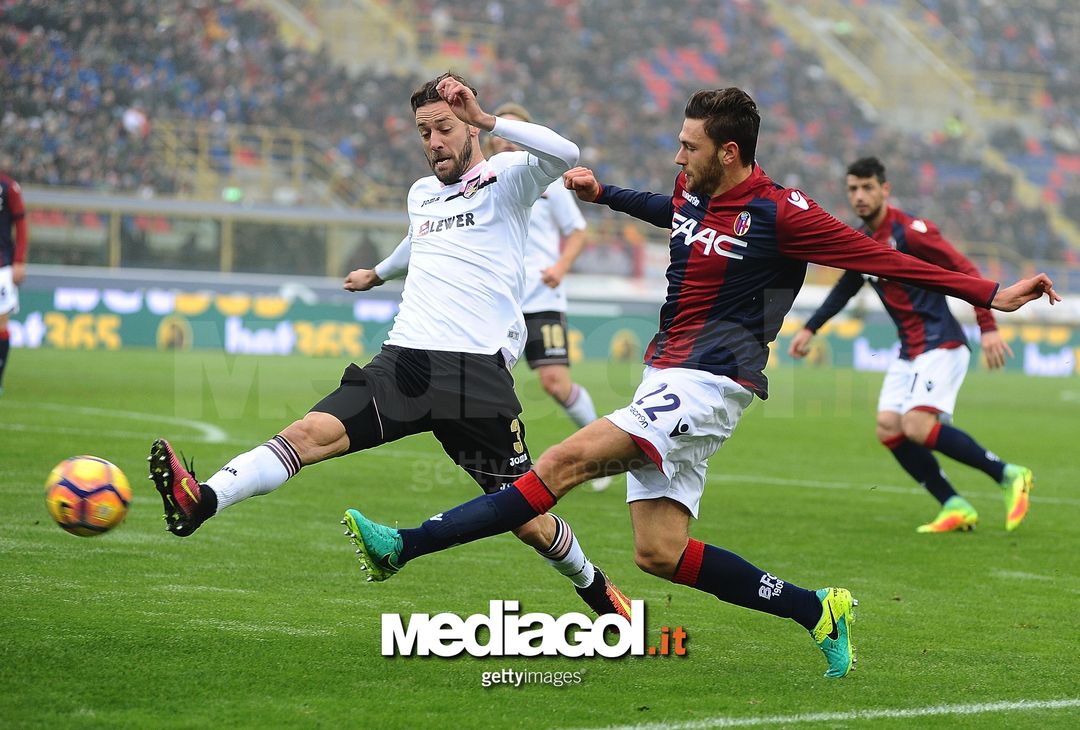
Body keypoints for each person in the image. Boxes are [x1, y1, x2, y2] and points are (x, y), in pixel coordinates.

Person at [339, 87, 1060, 678]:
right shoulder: (694, 195)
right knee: (660, 552)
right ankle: (817, 609)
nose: (678, 156)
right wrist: (607, 195)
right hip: (669, 374)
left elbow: (881, 257)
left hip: (712, 383)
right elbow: (669, 210)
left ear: (730, 151)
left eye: (689, 147)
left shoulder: (783, 213)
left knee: (563, 461)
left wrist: (987, 294)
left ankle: (405, 545)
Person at [149, 73, 631, 620]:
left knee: (527, 517)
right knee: (308, 434)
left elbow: (567, 151)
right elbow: (416, 243)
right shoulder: (421, 195)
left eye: (444, 129)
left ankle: (595, 588)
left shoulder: (510, 176)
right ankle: (203, 500)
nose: (434, 143)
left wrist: (487, 117)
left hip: (476, 376)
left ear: (468, 129)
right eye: (424, 132)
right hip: (403, 363)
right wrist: (376, 275)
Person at [788, 157, 1033, 533]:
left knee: (917, 425)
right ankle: (954, 504)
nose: (860, 196)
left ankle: (1008, 474)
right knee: (889, 427)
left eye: (868, 187)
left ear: (885, 190)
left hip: (942, 342)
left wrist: (988, 326)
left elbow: (965, 269)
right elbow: (846, 287)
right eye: (853, 188)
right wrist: (811, 328)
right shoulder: (862, 241)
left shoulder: (912, 232)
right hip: (910, 350)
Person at [488, 102, 611, 491]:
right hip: (497, 301)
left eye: (518, 134)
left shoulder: (549, 182)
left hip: (541, 298)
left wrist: (559, 268)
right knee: (488, 387)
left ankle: (600, 453)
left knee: (555, 384)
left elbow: (577, 231)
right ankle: (502, 468)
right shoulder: (480, 181)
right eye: (503, 135)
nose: (508, 143)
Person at [0, 170, 29, 396]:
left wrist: (19, 261)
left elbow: (21, 225)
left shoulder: (8, 187)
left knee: (1, 325)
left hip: (2, 266)